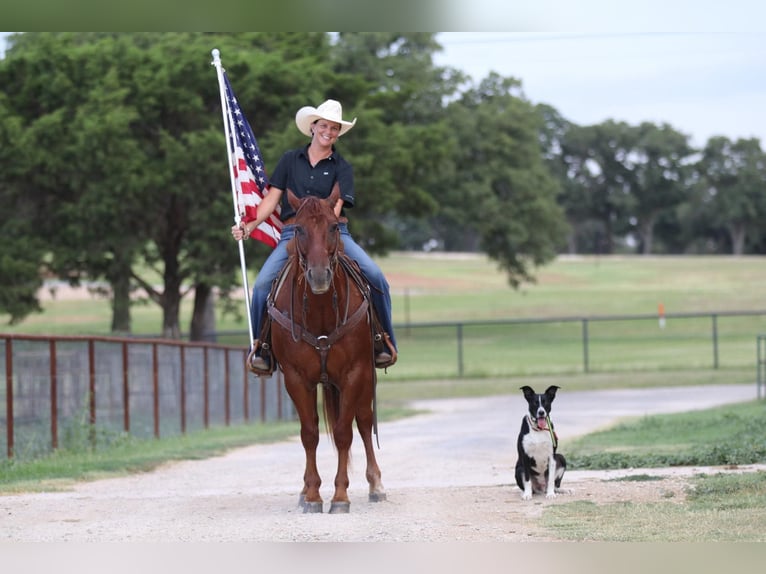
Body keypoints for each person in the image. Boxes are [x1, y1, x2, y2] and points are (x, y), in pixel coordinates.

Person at [231, 99, 398, 372]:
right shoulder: (289, 160)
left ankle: (384, 342)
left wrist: (324, 230)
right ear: (313, 127)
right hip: (293, 234)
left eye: (334, 128)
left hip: (333, 232)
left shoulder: (342, 167)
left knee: (376, 276)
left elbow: (336, 207)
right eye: (324, 126)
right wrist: (249, 226)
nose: (328, 132)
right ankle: (262, 349)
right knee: (261, 286)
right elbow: (272, 201)